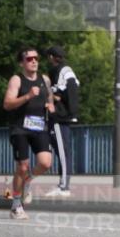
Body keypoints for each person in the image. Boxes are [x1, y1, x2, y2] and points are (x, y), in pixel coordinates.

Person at [2, 48, 55, 219]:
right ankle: (16, 205)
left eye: (36, 58)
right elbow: (7, 104)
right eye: (29, 58)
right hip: (20, 128)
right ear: (21, 63)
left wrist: (50, 104)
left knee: (46, 163)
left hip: (39, 126)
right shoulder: (17, 80)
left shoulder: (44, 79)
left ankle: (26, 181)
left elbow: (49, 95)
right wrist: (27, 96)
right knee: (22, 166)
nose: (34, 61)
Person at [44, 46, 80, 198]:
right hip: (63, 115)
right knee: (62, 151)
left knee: (63, 152)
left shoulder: (61, 71)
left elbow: (62, 90)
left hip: (59, 116)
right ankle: (63, 184)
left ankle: (64, 186)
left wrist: (58, 104)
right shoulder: (66, 70)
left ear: (52, 57)